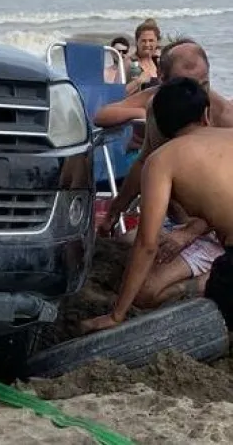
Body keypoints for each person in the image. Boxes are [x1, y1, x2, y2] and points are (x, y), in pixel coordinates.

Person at [80, 77, 233, 334]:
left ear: (156, 125)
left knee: (217, 299)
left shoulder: (162, 160)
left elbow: (147, 244)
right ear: (206, 115)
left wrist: (117, 315)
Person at [94, 38, 233, 236]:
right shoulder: (158, 106)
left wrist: (188, 234)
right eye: (182, 85)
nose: (191, 95)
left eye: (201, 85)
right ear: (161, 79)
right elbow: (143, 161)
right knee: (126, 242)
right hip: (173, 218)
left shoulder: (226, 119)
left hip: (218, 227)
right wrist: (114, 211)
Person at [124, 18, 161, 95]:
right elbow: (116, 94)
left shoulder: (157, 61)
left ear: (157, 42)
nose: (147, 44)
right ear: (137, 42)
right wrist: (138, 82)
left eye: (151, 40)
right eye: (143, 41)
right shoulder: (131, 62)